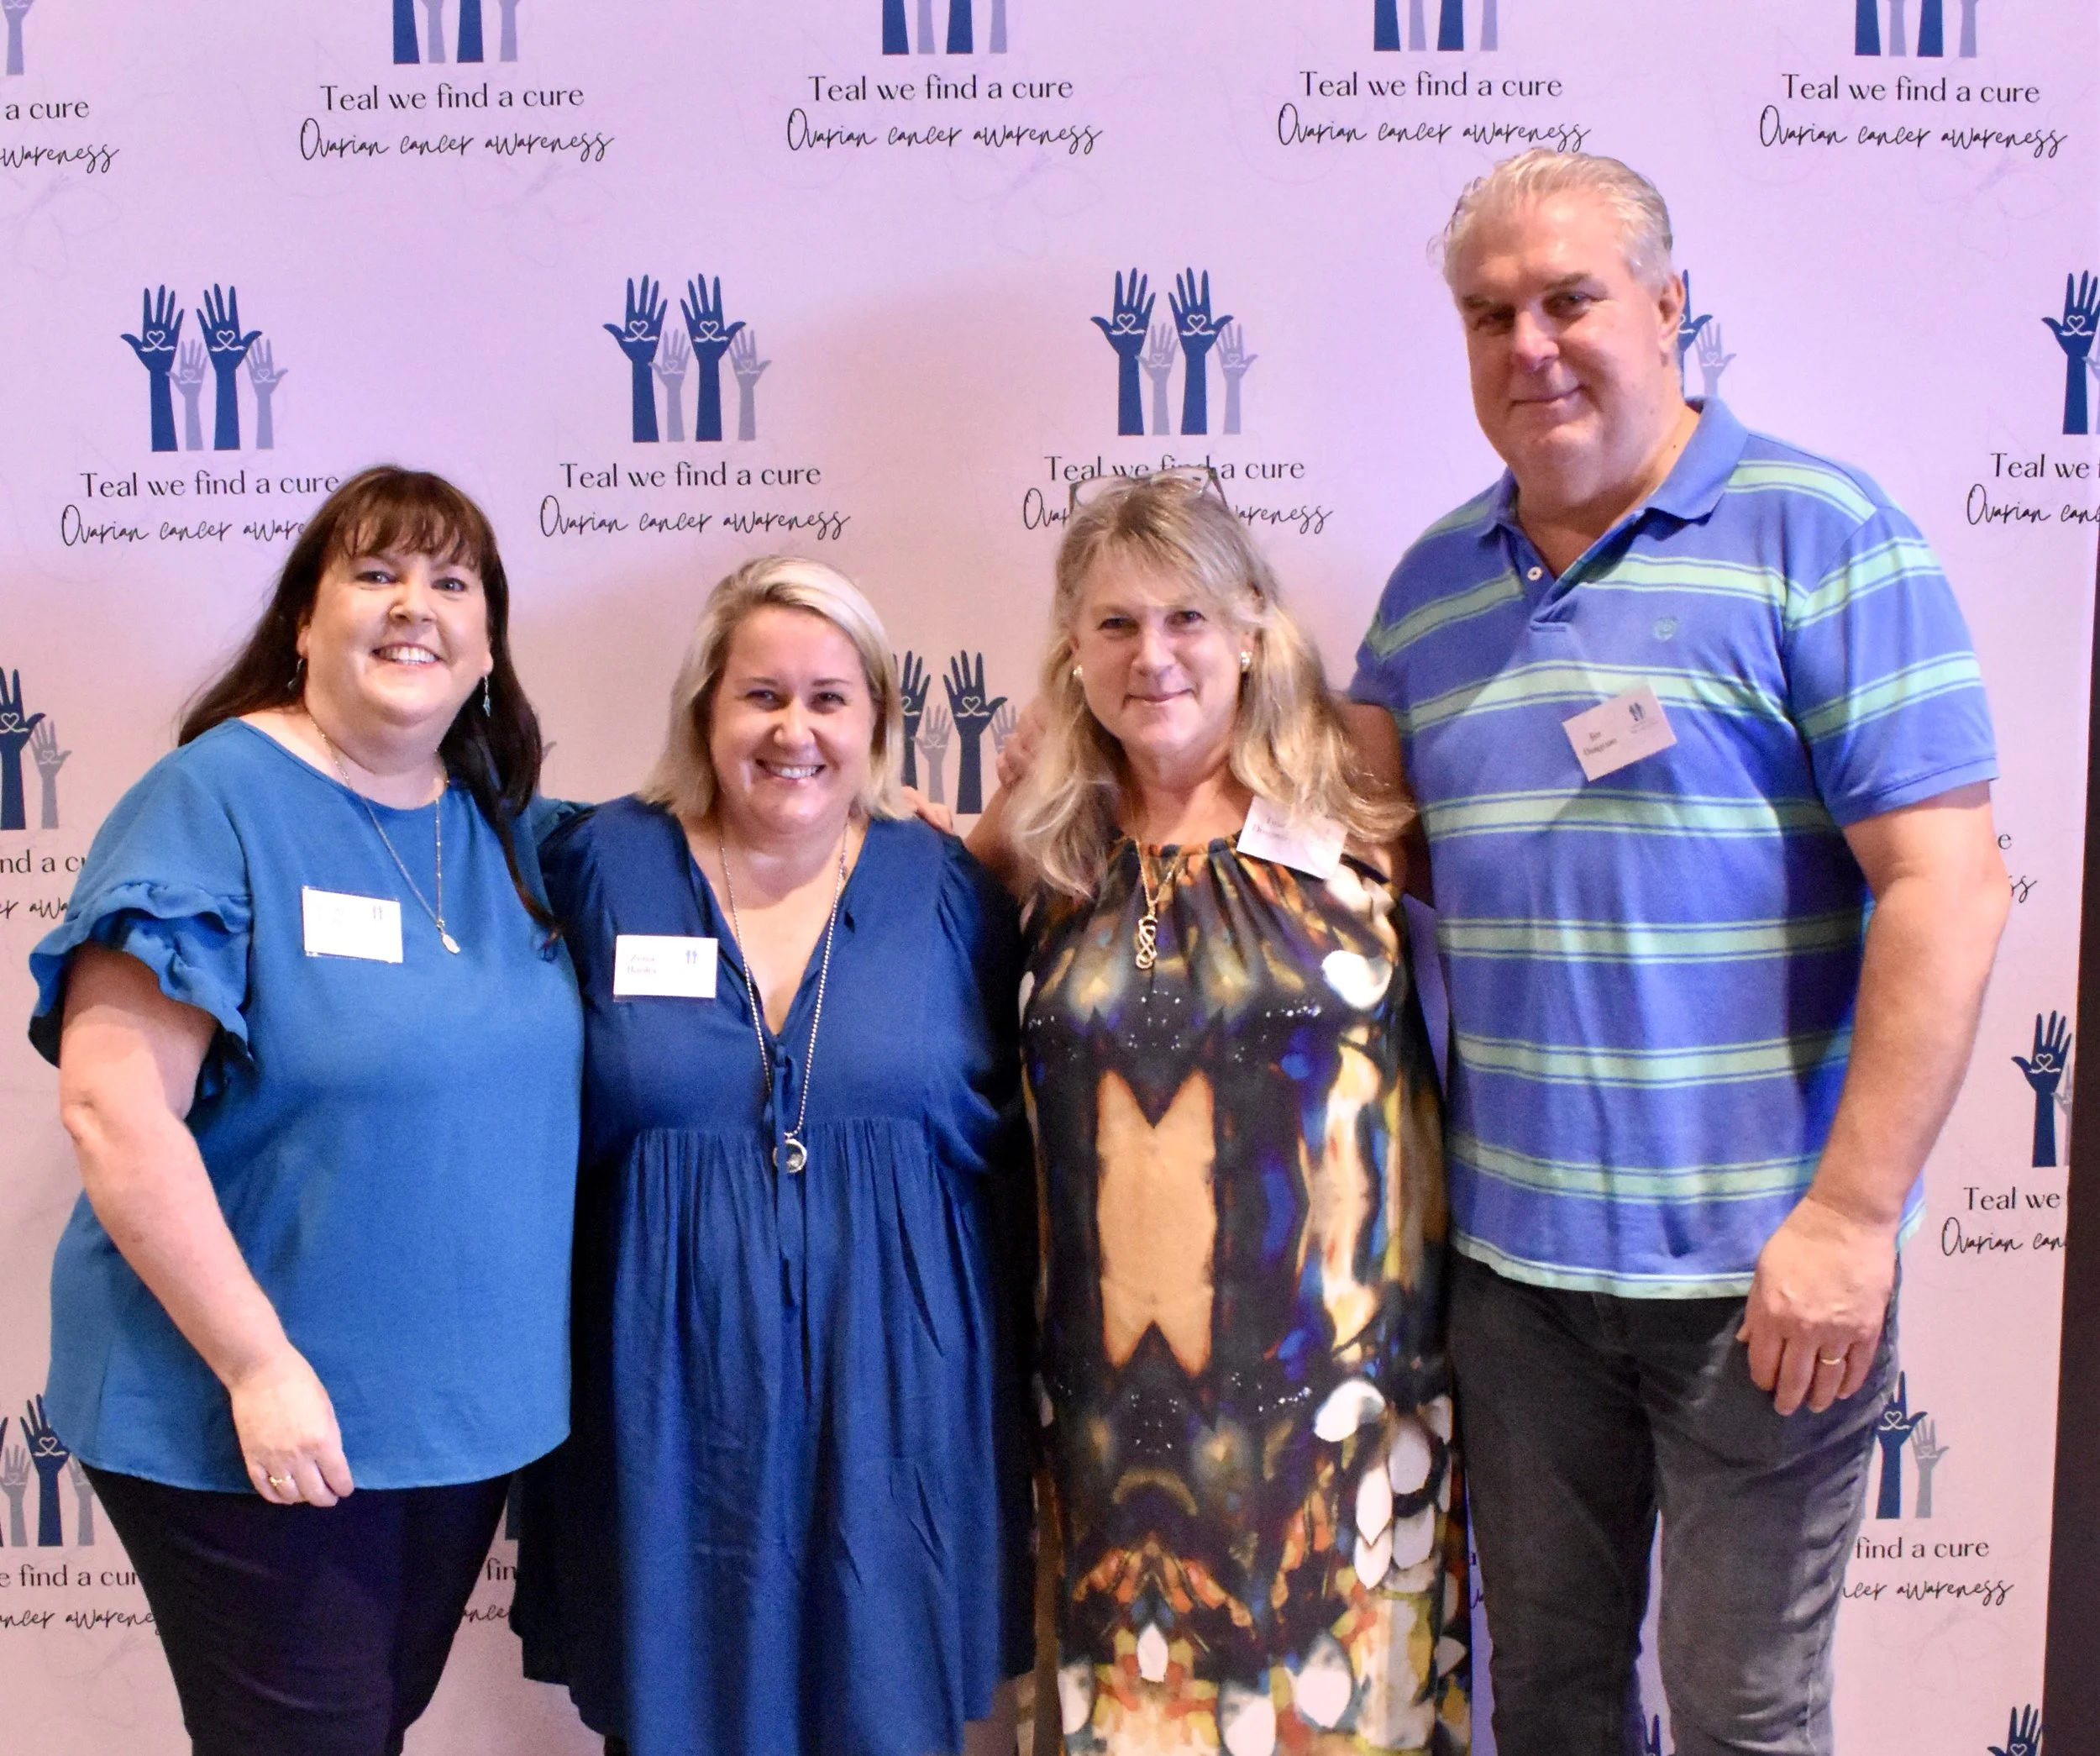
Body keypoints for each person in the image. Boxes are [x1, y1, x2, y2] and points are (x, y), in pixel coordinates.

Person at [1344, 150, 2009, 1756]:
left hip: (1759, 1282)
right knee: (1554, 1708)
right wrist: (1020, 834)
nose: (1533, 346)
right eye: (1490, 314)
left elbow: (1949, 887)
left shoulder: (1823, 535)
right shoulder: (1430, 597)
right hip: (1516, 1285)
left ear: (1669, 306)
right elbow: (1344, 853)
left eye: (1571, 299)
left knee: (1740, 1718)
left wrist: (1849, 1221)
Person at [26, 467, 583, 1756]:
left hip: (450, 1426)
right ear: (302, 619)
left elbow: (729, 854)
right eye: (377, 573)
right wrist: (257, 1365)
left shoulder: (504, 829)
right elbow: (114, 1110)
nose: (414, 606)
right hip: (252, 1420)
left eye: (452, 582)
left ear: (488, 642)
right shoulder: (213, 798)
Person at [974, 469, 1471, 1755]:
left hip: (1346, 1417)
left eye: (1187, 617)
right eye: (1116, 624)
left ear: (1252, 627)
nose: (1155, 655)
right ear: (1073, 653)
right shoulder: (1044, 849)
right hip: (1109, 1427)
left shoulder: (1362, 806)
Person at [510, 555, 1032, 1756]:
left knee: (887, 1713)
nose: (793, 729)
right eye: (761, 695)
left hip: (898, 1400)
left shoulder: (949, 888)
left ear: (880, 724)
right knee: (677, 1710)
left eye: (829, 697)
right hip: (665, 1400)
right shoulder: (601, 868)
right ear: (706, 709)